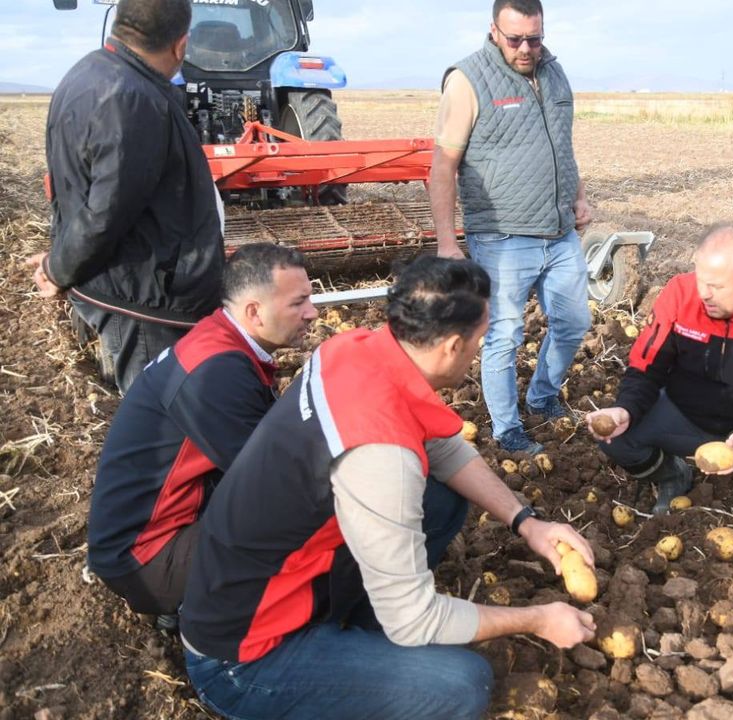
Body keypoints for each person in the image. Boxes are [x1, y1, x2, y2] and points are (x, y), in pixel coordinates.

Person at [180, 255, 596, 720]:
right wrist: (538, 619)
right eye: (480, 342)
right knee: (459, 684)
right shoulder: (382, 458)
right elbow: (415, 618)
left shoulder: (354, 348)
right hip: (242, 659)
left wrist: (527, 523)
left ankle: (361, 637)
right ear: (453, 346)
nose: (479, 350)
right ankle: (342, 661)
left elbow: (443, 450)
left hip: (254, 587)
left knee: (439, 500)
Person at [87, 243, 316, 624]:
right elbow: (276, 483)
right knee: (301, 521)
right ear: (254, 312)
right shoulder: (216, 373)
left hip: (143, 541)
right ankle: (212, 619)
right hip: (146, 558)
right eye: (299, 303)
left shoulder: (221, 338)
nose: (313, 313)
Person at [27, 0, 224, 394]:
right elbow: (105, 212)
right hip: (142, 299)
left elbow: (78, 192)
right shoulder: (134, 98)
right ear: (180, 46)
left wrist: (61, 255)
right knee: (155, 414)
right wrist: (57, 267)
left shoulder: (88, 73)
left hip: (130, 286)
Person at [429, 0, 592, 454]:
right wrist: (447, 240)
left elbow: (563, 146)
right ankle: (507, 429)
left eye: (535, 39)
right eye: (515, 39)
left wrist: (578, 195)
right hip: (502, 237)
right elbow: (443, 166)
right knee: (503, 333)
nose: (525, 49)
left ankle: (542, 396)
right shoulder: (467, 79)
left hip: (559, 233)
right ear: (494, 31)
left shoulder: (554, 73)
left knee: (574, 321)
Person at [586, 224, 733, 517]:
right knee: (616, 436)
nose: (704, 294)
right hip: (684, 417)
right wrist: (626, 408)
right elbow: (645, 368)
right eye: (701, 281)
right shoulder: (679, 294)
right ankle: (672, 475)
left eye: (717, 286)